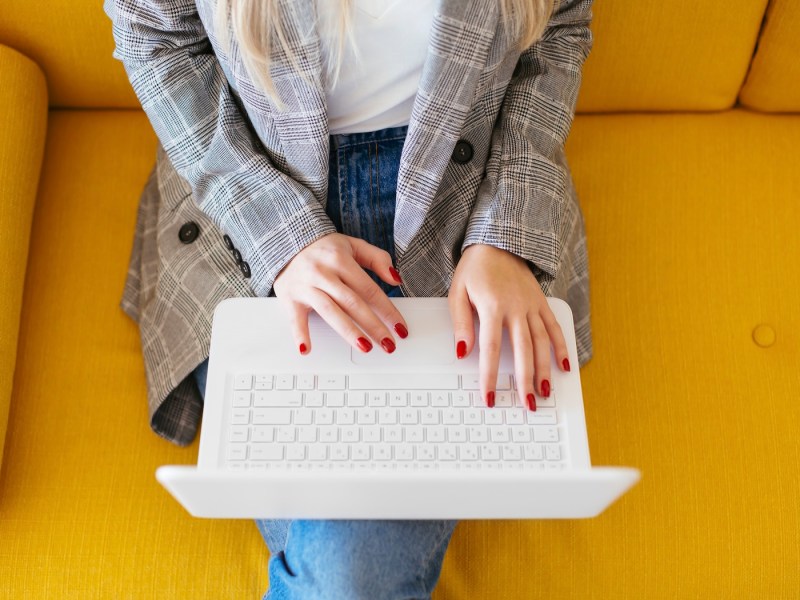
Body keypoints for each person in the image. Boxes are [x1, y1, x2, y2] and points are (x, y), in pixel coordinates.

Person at [106, 0, 594, 597]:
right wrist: (278, 231)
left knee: (345, 574)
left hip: (469, 202)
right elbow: (153, 34)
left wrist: (505, 234)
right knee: (346, 574)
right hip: (251, 185)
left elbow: (559, 24)